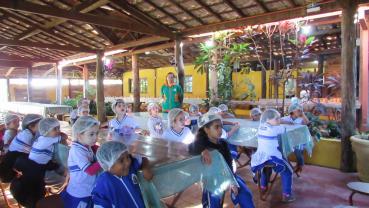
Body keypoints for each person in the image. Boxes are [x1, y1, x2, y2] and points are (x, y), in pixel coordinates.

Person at [188, 113, 255, 208]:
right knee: (214, 198)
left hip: (227, 174)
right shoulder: (201, 143)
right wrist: (203, 150)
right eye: (216, 127)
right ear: (206, 129)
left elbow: (229, 163)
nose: (220, 130)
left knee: (245, 194)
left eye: (221, 127)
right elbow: (191, 147)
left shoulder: (223, 143)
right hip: (212, 179)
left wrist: (232, 181)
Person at [10, 118, 68, 207]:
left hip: (36, 167)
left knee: (60, 171)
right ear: (46, 130)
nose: (58, 131)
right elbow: (64, 137)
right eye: (55, 129)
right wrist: (61, 136)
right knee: (62, 181)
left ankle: (53, 189)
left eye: (58, 128)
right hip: (39, 171)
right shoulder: (46, 140)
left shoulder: (42, 137)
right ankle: (55, 192)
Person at [251, 109, 295, 203]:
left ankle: (263, 186)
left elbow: (276, 123)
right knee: (288, 171)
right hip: (272, 158)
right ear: (267, 120)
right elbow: (284, 129)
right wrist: (286, 122)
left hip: (260, 158)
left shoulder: (261, 126)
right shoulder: (275, 129)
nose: (279, 121)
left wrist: (277, 120)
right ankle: (287, 195)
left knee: (266, 168)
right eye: (277, 119)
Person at [91, 141, 153, 207]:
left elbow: (143, 159)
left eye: (128, 157)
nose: (127, 162)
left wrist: (146, 169)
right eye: (121, 160)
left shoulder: (130, 167)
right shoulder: (103, 185)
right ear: (108, 165)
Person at [61, 116, 101, 208]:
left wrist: (101, 149)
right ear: (79, 135)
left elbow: (94, 148)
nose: (96, 137)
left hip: (87, 188)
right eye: (91, 134)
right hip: (80, 193)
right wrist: (104, 160)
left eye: (97, 133)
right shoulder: (76, 151)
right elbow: (90, 170)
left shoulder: (86, 145)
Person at [0, 114, 43, 183]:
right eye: (40, 125)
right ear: (31, 126)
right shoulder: (25, 135)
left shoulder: (26, 133)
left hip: (13, 165)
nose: (43, 127)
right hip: (10, 170)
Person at [281, 104, 309, 174]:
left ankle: (300, 166)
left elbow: (307, 123)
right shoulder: (286, 118)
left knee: (298, 151)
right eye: (298, 110)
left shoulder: (301, 119)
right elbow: (279, 121)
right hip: (287, 140)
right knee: (281, 149)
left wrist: (303, 114)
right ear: (292, 111)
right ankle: (285, 165)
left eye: (300, 111)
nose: (300, 112)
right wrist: (288, 123)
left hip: (298, 140)